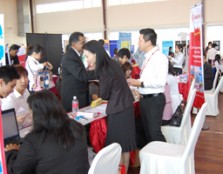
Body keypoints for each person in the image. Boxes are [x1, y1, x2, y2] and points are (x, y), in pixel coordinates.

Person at [83, 40, 136, 173]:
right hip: (126, 107)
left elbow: (104, 95)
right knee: (125, 145)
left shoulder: (103, 69)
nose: (87, 59)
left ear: (95, 54)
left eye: (87, 55)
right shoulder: (112, 62)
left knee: (117, 146)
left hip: (118, 110)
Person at [5, 90, 89, 174]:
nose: (30, 116)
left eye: (30, 112)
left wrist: (11, 152)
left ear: (38, 115)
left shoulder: (33, 141)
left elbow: (17, 171)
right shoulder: (77, 127)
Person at [127, 28, 168, 143]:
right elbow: (146, 79)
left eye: (140, 40)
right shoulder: (147, 57)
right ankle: (154, 157)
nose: (138, 43)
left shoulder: (159, 58)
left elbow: (160, 82)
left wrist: (140, 83)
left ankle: (164, 158)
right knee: (148, 133)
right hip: (145, 99)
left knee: (154, 133)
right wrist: (135, 85)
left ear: (148, 42)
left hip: (154, 100)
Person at [61, 32, 96, 112]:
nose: (84, 45)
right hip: (74, 96)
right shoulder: (70, 56)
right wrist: (98, 73)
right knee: (77, 122)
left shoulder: (75, 54)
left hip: (79, 94)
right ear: (74, 44)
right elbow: (81, 75)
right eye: (82, 43)